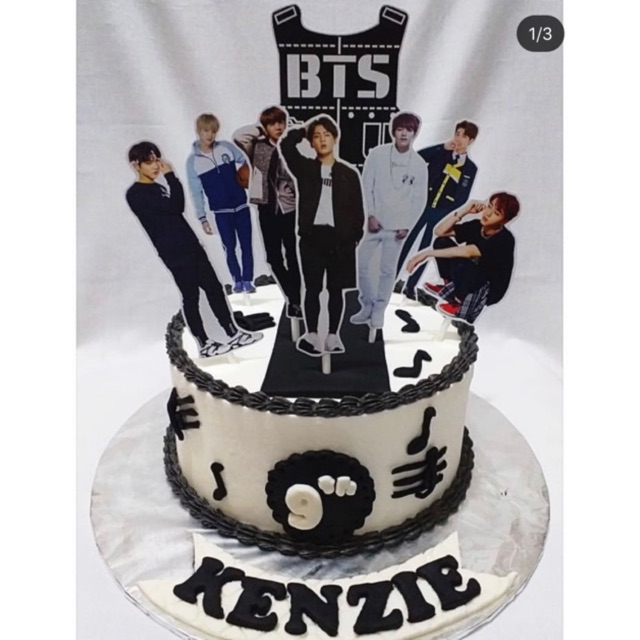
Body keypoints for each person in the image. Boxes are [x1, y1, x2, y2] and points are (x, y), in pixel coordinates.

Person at [125, 141, 262, 357]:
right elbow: (175, 207)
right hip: (174, 253)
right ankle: (204, 343)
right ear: (136, 165)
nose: (156, 166)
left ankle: (232, 332)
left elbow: (176, 211)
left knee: (214, 288)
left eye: (157, 160)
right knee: (191, 296)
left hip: (190, 245)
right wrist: (171, 176)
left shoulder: (158, 187)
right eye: (149, 162)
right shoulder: (135, 194)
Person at [279, 115, 365, 356]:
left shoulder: (349, 173)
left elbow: (358, 211)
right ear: (311, 143)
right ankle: (313, 335)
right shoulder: (305, 168)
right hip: (312, 238)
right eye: (316, 136)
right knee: (312, 288)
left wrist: (353, 237)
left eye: (326, 134)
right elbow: (285, 146)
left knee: (337, 289)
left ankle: (334, 336)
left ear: (335, 139)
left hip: (340, 240)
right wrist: (304, 129)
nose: (322, 140)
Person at [351, 112, 427, 329]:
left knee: (387, 270)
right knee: (361, 264)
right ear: (393, 131)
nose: (404, 134)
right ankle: (367, 304)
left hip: (397, 228)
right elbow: (366, 186)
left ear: (414, 133)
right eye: (400, 129)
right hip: (374, 223)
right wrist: (371, 214)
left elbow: (420, 199)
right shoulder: (377, 154)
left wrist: (407, 226)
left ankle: (379, 309)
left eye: (409, 130)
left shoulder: (419, 164)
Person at [406, 192, 520, 324]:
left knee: (462, 261)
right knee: (441, 242)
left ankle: (459, 301)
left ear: (505, 221)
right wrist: (464, 211)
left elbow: (468, 252)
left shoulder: (505, 239)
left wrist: (427, 254)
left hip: (487, 289)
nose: (488, 213)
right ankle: (449, 286)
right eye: (489, 206)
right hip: (471, 276)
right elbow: (439, 232)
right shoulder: (477, 226)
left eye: (496, 213)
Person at [397, 120, 479, 297]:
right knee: (407, 241)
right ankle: (393, 279)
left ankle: (411, 285)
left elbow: (462, 197)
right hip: (423, 205)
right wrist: (442, 147)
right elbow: (418, 158)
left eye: (464, 136)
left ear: (471, 141)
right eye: (457, 134)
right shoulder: (441, 154)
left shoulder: (470, 169)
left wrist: (447, 214)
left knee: (426, 247)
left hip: (441, 213)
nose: (459, 138)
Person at [233, 106, 302, 317]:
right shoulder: (257, 146)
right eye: (272, 123)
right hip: (266, 208)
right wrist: (261, 127)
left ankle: (297, 300)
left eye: (281, 122)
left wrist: (293, 131)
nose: (278, 127)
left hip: (290, 208)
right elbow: (239, 135)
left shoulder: (294, 146)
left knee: (294, 256)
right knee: (273, 258)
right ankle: (293, 296)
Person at [186, 113, 256, 293]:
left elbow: (247, 162)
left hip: (241, 206)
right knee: (229, 247)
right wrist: (202, 218)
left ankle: (248, 280)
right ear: (198, 131)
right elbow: (196, 192)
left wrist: (249, 180)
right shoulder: (193, 162)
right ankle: (237, 281)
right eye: (206, 131)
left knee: (247, 245)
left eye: (213, 131)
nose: (210, 135)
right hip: (221, 212)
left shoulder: (226, 148)